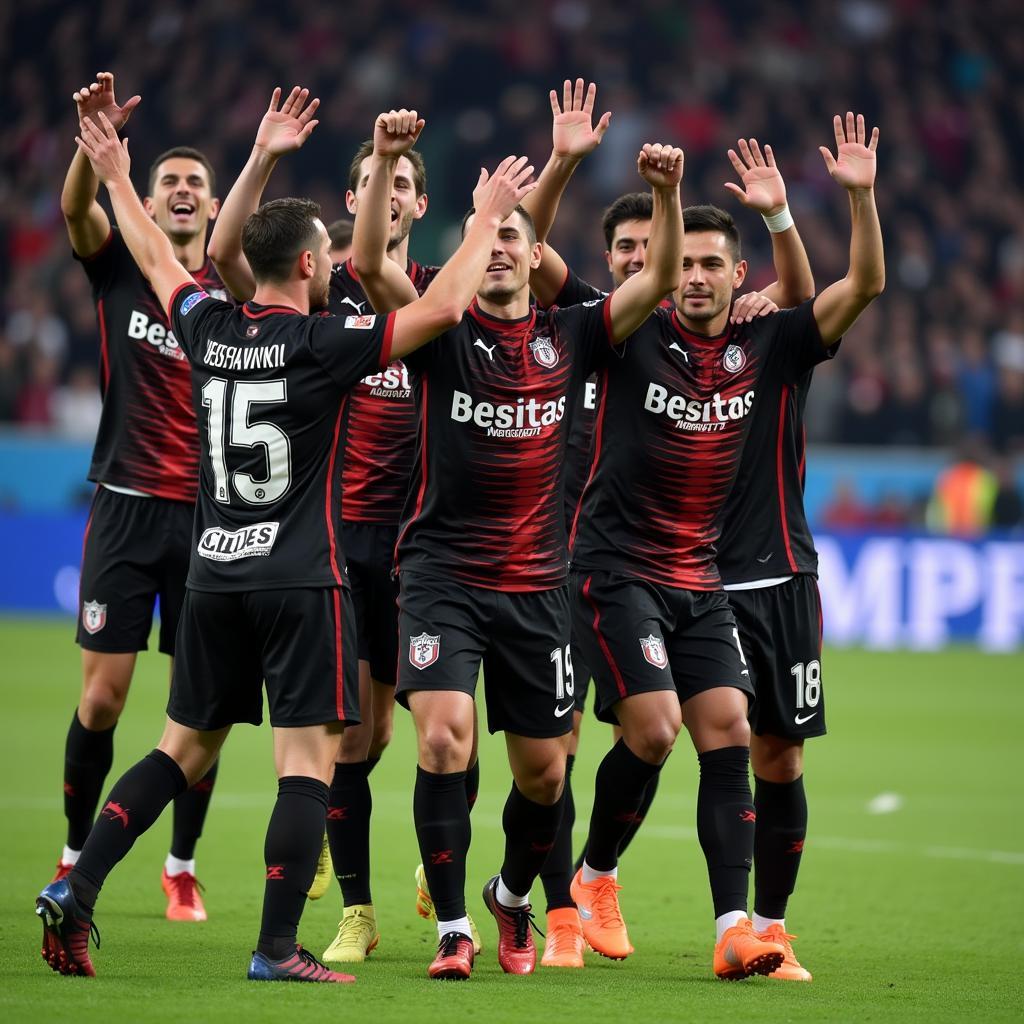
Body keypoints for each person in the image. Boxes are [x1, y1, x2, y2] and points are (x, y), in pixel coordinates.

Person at [35, 98, 537, 984]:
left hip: (213, 571)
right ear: (312, 263)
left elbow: (156, 256)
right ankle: (276, 947)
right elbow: (447, 308)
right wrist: (490, 220)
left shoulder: (206, 325)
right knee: (307, 764)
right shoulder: (322, 343)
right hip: (302, 580)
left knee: (177, 749)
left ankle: (76, 890)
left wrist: (117, 176)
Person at [536, 112, 881, 980]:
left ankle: (745, 926)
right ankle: (565, 888)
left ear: (741, 277)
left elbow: (860, 286)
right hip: (616, 568)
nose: (691, 277)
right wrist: (594, 175)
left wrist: (852, 199)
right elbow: (542, 260)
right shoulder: (622, 329)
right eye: (677, 262)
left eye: (708, 265)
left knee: (745, 738)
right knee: (623, 738)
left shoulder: (771, 339)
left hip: (731, 574)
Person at [353, 107, 684, 980]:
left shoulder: (571, 335)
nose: (499, 248)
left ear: (536, 253)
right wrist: (389, 162)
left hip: (538, 587)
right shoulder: (437, 331)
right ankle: (454, 927)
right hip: (441, 577)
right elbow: (364, 265)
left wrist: (667, 194)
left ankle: (508, 895)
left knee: (543, 779)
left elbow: (652, 288)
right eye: (484, 236)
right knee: (442, 742)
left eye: (513, 236)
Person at [206, 95, 478, 964]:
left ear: (421, 204)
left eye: (397, 182)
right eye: (368, 181)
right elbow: (225, 259)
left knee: (444, 726)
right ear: (349, 200)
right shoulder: (318, 296)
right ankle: (356, 910)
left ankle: (442, 869)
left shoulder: (437, 292)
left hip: (431, 540)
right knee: (359, 738)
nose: (385, 192)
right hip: (346, 539)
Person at [54, 71, 224, 922]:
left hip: (210, 518)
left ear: (215, 203)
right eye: (170, 183)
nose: (184, 192)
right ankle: (76, 850)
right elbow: (78, 211)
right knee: (104, 698)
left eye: (196, 183)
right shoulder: (121, 269)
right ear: (149, 203)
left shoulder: (232, 293)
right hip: (124, 505)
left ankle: (180, 862)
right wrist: (94, 153)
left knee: (202, 702)